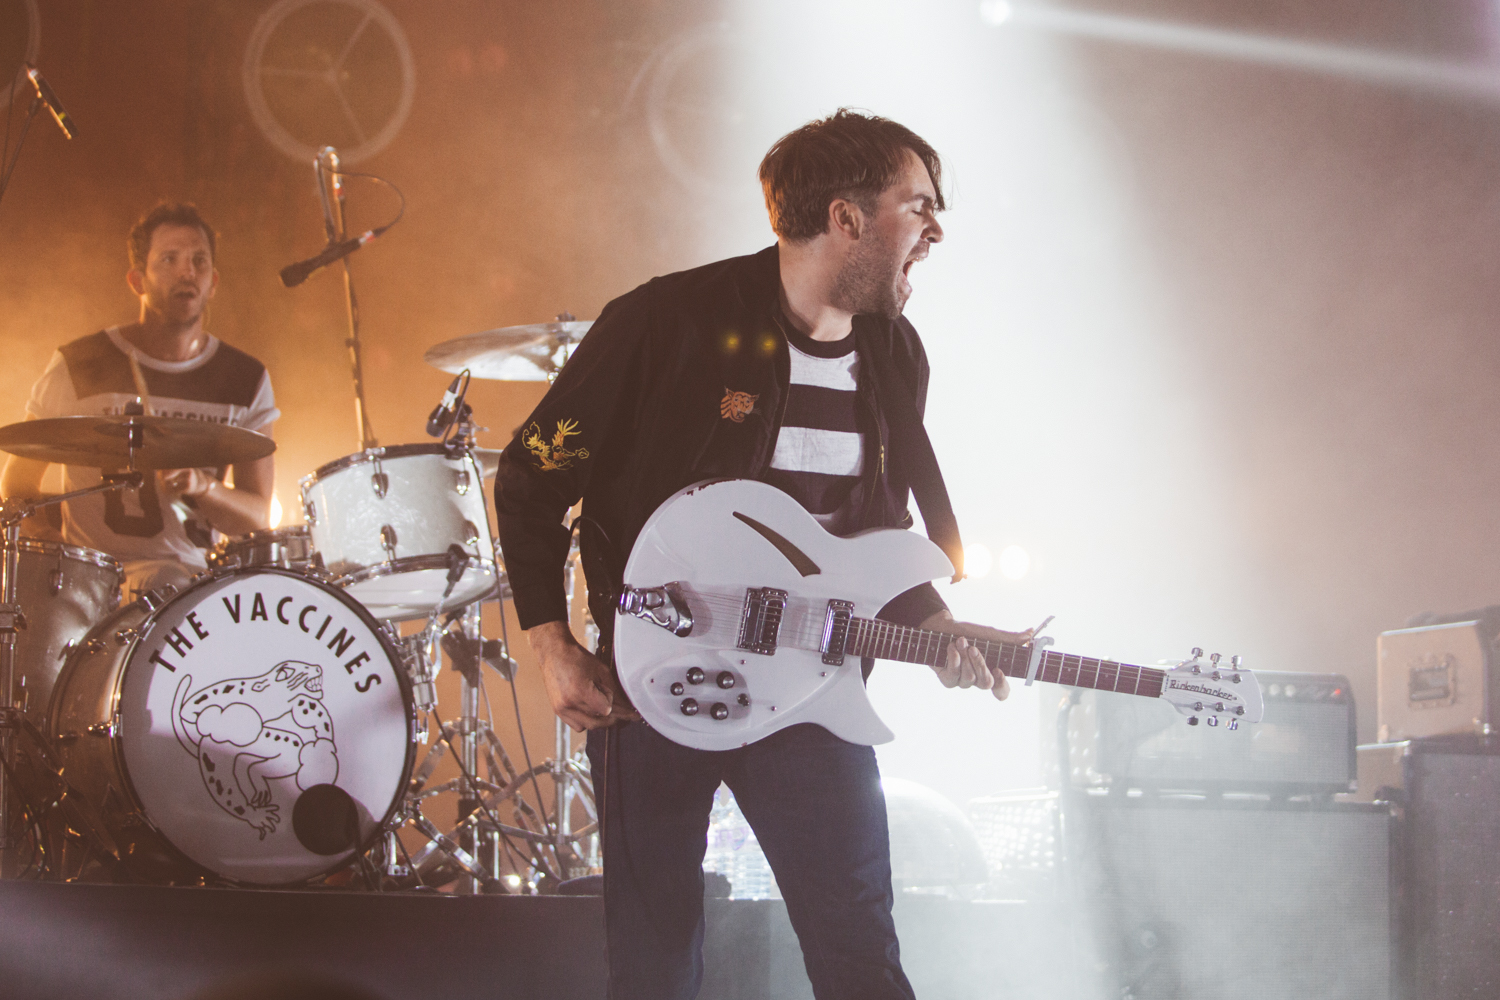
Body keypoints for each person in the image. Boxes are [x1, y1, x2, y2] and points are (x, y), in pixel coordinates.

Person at [494, 110, 1028, 1000]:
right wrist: (552, 644)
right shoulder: (665, 321)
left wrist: (934, 627)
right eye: (918, 206)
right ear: (847, 219)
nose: (935, 230)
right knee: (656, 964)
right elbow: (531, 475)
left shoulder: (895, 354)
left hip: (815, 691)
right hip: (653, 685)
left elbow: (873, 533)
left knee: (860, 953)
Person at [1, 202, 278, 596]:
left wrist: (203, 486)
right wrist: (47, 541)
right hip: (90, 583)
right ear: (137, 280)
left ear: (214, 282)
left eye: (199, 261)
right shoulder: (79, 364)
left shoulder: (245, 378)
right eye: (169, 259)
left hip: (193, 588)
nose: (187, 272)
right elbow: (18, 482)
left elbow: (257, 517)